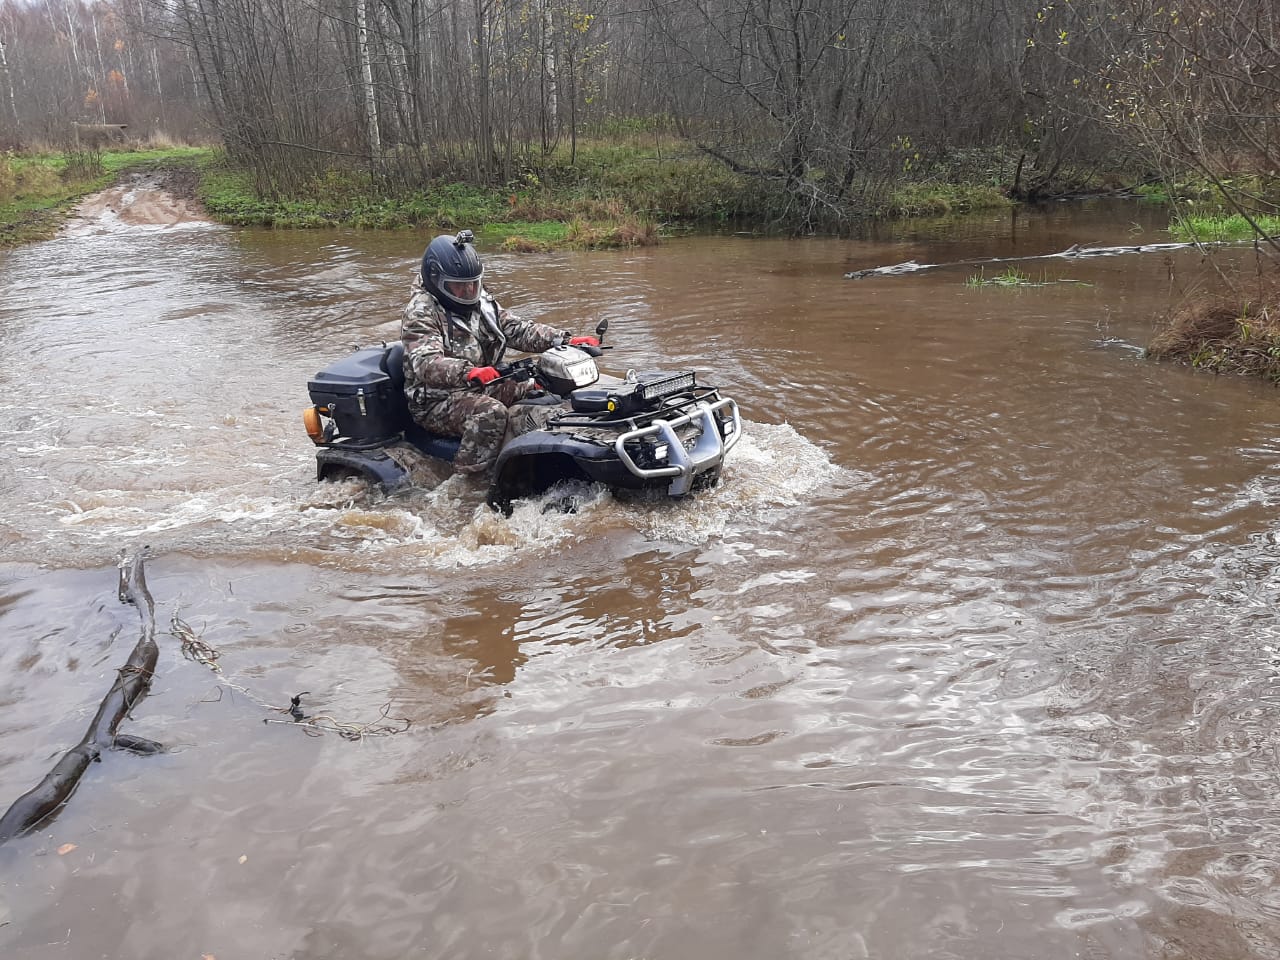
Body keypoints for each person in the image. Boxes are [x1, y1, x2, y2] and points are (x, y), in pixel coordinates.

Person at [400, 230, 599, 476]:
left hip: (485, 383)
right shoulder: (421, 311)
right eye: (459, 287)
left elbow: (517, 329)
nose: (468, 292)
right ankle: (469, 480)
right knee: (490, 413)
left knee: (546, 383)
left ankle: (564, 453)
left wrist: (565, 339)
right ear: (436, 280)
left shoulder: (480, 300)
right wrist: (468, 372)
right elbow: (425, 362)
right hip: (437, 400)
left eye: (473, 284)